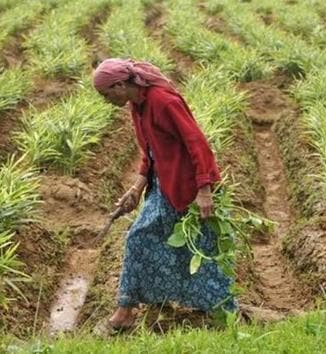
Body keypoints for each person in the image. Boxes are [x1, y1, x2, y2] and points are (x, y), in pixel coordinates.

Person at [92, 58, 236, 331]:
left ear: (121, 85)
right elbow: (151, 152)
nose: (105, 100)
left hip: (189, 186)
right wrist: (136, 187)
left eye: (106, 94)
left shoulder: (163, 101)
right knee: (143, 238)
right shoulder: (137, 106)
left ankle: (220, 313)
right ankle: (140, 309)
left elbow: (198, 145)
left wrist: (204, 191)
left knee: (201, 249)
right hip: (164, 185)